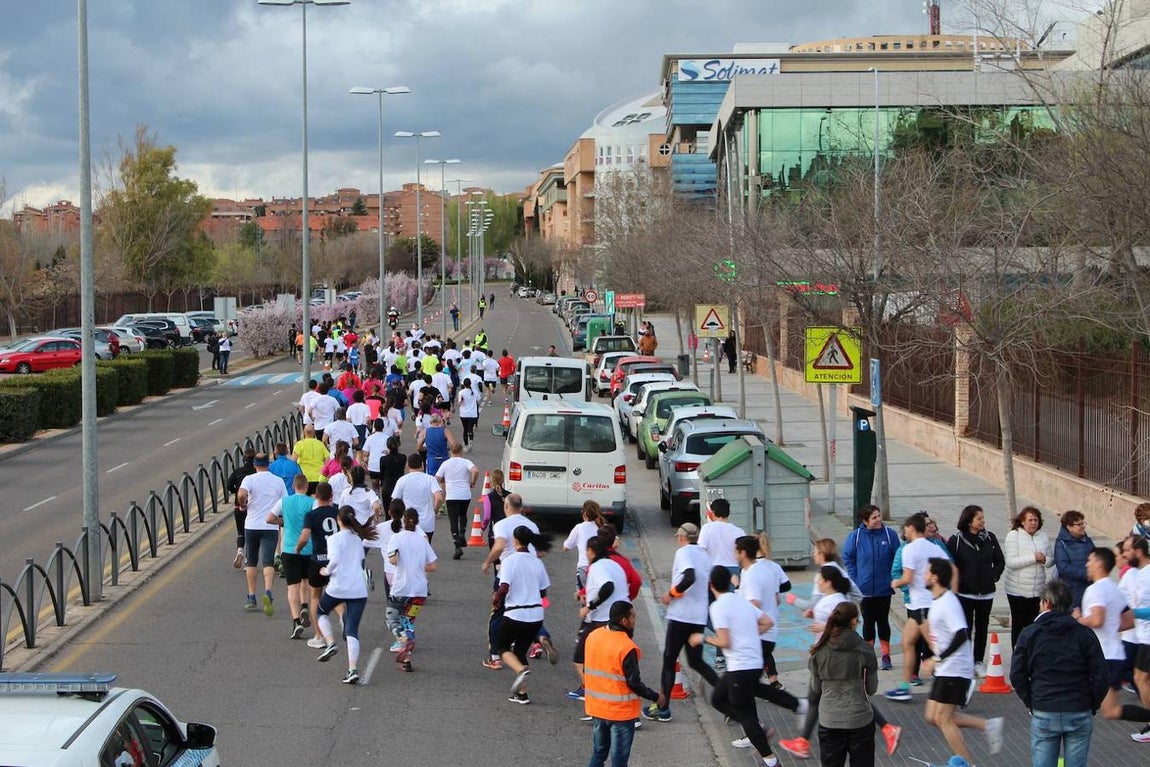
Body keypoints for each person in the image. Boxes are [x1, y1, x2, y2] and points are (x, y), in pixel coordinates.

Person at [691, 566, 802, 767]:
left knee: (744, 714)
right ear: (729, 582)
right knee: (717, 698)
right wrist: (749, 635)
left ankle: (771, 760)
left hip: (740, 667)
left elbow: (724, 642)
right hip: (752, 663)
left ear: (711, 585)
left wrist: (703, 638)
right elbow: (767, 622)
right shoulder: (741, 601)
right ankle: (787, 710)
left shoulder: (717, 607)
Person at [1010, 579, 1108, 767]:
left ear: (1046, 603)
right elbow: (1101, 676)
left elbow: (1017, 674)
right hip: (1079, 708)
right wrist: (1091, 703)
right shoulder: (1084, 634)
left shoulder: (1030, 634)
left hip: (1044, 707)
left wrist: (1032, 701)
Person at [920, 558, 1004, 763]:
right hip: (945, 668)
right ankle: (987, 726)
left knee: (943, 718)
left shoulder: (948, 602)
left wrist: (936, 658)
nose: (923, 575)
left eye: (926, 572)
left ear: (935, 577)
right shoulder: (937, 601)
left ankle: (968, 763)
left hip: (955, 668)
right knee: (932, 716)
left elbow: (961, 635)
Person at [643, 522, 718, 723]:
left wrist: (671, 594)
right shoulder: (705, 555)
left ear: (682, 538)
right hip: (698, 616)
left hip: (681, 615)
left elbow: (689, 576)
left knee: (669, 658)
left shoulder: (684, 552)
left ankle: (663, 707)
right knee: (696, 661)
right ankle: (727, 697)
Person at [585, 600, 665, 767]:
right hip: (620, 713)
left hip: (597, 709)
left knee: (599, 752)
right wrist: (656, 697)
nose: (635, 619)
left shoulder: (593, 636)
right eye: (633, 616)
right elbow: (634, 683)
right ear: (624, 621)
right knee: (619, 761)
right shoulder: (626, 646)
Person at [1077, 546, 1150, 725]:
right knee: (1111, 711)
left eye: (1090, 560)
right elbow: (1128, 621)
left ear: (1099, 564)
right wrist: (1110, 626)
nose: (1087, 564)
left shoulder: (1095, 590)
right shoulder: (1115, 589)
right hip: (1113, 654)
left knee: (1079, 700)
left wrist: (1077, 620)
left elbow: (1097, 620)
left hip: (1103, 658)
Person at [807, 602, 877, 767]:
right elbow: (871, 689)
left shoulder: (820, 651)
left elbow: (816, 689)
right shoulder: (865, 650)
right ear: (854, 621)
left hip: (830, 719)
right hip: (859, 719)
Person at [312, 505, 377, 684]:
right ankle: (352, 669)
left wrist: (325, 571)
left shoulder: (334, 539)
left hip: (338, 587)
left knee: (321, 612)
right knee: (352, 630)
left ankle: (331, 642)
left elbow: (334, 560)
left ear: (338, 520)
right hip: (358, 589)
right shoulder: (358, 539)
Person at [495, 525, 553, 705]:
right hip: (536, 615)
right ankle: (522, 694)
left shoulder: (510, 561)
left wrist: (497, 601)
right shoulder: (537, 562)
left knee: (501, 647)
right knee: (519, 651)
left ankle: (520, 670)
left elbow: (503, 587)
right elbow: (543, 592)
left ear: (515, 540)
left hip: (515, 613)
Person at [885, 512, 940, 702]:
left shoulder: (910, 549)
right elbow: (953, 569)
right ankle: (904, 687)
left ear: (912, 528)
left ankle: (961, 683)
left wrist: (895, 583)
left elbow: (907, 578)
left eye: (906, 528)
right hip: (921, 605)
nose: (904, 531)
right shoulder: (933, 547)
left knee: (937, 649)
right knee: (907, 643)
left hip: (923, 605)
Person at [945, 504, 1005, 676]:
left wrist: (993, 576)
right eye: (979, 518)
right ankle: (965, 661)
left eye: (983, 518)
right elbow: (950, 565)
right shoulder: (956, 541)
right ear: (969, 520)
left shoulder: (990, 538)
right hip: (965, 593)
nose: (983, 521)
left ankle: (978, 660)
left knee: (982, 627)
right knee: (966, 627)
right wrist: (959, 582)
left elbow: (1000, 561)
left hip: (986, 593)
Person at [570, 535, 628, 701]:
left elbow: (608, 586)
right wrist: (584, 596)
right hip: (621, 620)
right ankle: (610, 698)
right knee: (612, 665)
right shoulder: (614, 565)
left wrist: (589, 607)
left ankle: (594, 696)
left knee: (579, 658)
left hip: (602, 621)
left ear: (591, 551)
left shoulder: (597, 567)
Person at [842, 504, 900, 670]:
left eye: (879, 516)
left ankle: (886, 655)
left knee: (883, 621)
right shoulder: (856, 536)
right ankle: (869, 656)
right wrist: (856, 580)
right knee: (868, 622)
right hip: (864, 590)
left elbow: (898, 558)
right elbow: (848, 557)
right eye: (874, 517)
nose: (878, 520)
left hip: (884, 589)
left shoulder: (890, 535)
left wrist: (892, 578)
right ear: (865, 521)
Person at [386, 509, 438, 671]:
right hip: (419, 590)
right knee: (408, 620)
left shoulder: (396, 538)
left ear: (403, 521)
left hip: (401, 587)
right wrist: (417, 565)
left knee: (392, 618)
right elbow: (433, 566)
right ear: (417, 522)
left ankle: (402, 639)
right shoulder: (423, 541)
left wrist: (403, 561)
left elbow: (393, 560)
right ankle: (406, 660)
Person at [734, 535, 790, 688]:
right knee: (760, 660)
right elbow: (781, 592)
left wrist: (737, 588)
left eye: (736, 551)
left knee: (744, 677)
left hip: (758, 626)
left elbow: (753, 603)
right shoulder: (771, 567)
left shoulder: (750, 572)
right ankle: (773, 684)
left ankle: (790, 701)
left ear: (744, 552)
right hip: (769, 625)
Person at [236, 453, 287, 615]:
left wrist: (243, 504)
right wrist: (280, 519)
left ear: (256, 465)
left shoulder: (249, 479)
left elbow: (241, 494)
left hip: (251, 525)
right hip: (270, 527)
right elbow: (284, 502)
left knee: (251, 562)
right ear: (268, 464)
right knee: (268, 562)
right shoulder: (278, 481)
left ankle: (251, 596)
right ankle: (268, 592)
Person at [266, 474, 315, 639]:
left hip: (289, 549)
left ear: (294, 486)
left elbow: (269, 518)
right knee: (306, 581)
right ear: (306, 486)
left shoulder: (284, 502)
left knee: (292, 586)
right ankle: (305, 605)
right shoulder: (312, 503)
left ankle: (296, 621)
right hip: (308, 548)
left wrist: (283, 522)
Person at [294, 482, 339, 649]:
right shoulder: (337, 512)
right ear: (331, 496)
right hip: (336, 560)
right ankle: (343, 619)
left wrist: (298, 548)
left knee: (315, 597)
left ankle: (319, 635)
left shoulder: (311, 515)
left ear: (316, 496)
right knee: (336, 594)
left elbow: (305, 537)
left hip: (318, 560)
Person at [1004, 505, 1055, 648]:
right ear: (1022, 521)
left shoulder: (1043, 537)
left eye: (1036, 520)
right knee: (1019, 626)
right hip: (1017, 591)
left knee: (1034, 626)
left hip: (1037, 591)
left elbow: (1051, 560)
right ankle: (1018, 655)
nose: (1033, 523)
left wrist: (1045, 560)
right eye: (1030, 520)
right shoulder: (1014, 536)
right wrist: (1033, 558)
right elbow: (1011, 562)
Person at [435, 442, 478, 559]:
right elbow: (475, 470)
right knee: (463, 515)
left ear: (450, 451)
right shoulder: (466, 462)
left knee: (453, 520)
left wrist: (442, 483)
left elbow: (437, 478)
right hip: (465, 494)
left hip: (452, 496)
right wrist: (473, 482)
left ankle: (457, 545)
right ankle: (462, 533)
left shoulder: (445, 464)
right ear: (461, 451)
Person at [390, 452, 444, 541]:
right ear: (422, 465)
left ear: (408, 466)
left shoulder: (402, 480)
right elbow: (439, 497)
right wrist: (435, 510)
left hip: (407, 521)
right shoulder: (430, 479)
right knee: (425, 548)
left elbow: (394, 501)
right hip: (427, 522)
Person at [1055, 510, 1094, 609]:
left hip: (1089, 587)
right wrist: (1085, 574)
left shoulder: (1087, 541)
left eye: (1083, 523)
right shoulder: (1061, 544)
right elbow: (1063, 567)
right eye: (1079, 524)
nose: (1083, 526)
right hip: (1072, 590)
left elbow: (1096, 558)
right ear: (1069, 527)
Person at [563, 501, 604, 589]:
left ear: (584, 514)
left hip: (584, 567)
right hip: (599, 567)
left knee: (583, 596)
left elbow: (566, 547)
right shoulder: (601, 528)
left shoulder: (579, 527)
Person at [227, 449, 257, 568]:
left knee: (241, 532)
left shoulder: (238, 472)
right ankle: (248, 558)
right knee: (250, 531)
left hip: (239, 505)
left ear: (244, 459)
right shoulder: (256, 473)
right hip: (253, 506)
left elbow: (229, 485)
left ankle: (240, 550)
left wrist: (236, 491)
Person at [456, 377, 481, 452]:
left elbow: (459, 403)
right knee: (470, 429)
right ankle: (471, 441)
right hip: (473, 414)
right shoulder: (475, 391)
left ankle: (466, 445)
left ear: (463, 384)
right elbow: (478, 400)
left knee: (465, 429)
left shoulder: (461, 392)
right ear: (470, 384)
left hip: (464, 414)